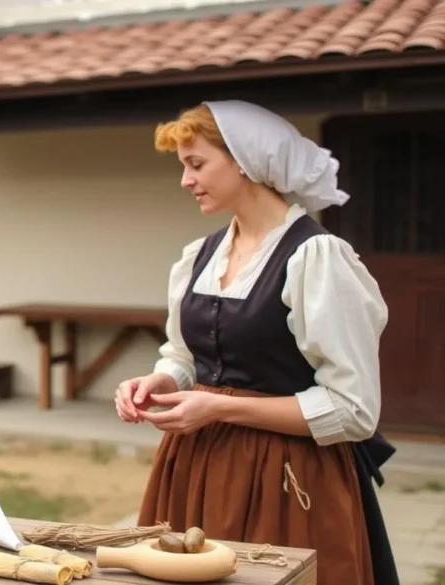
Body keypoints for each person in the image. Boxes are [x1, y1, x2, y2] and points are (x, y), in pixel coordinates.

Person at [114, 100, 399, 585]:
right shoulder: (199, 256)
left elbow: (353, 410)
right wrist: (160, 379)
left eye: (196, 164)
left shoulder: (316, 258)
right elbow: (185, 355)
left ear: (246, 161)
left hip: (289, 478)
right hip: (197, 465)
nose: (186, 180)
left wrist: (218, 409)